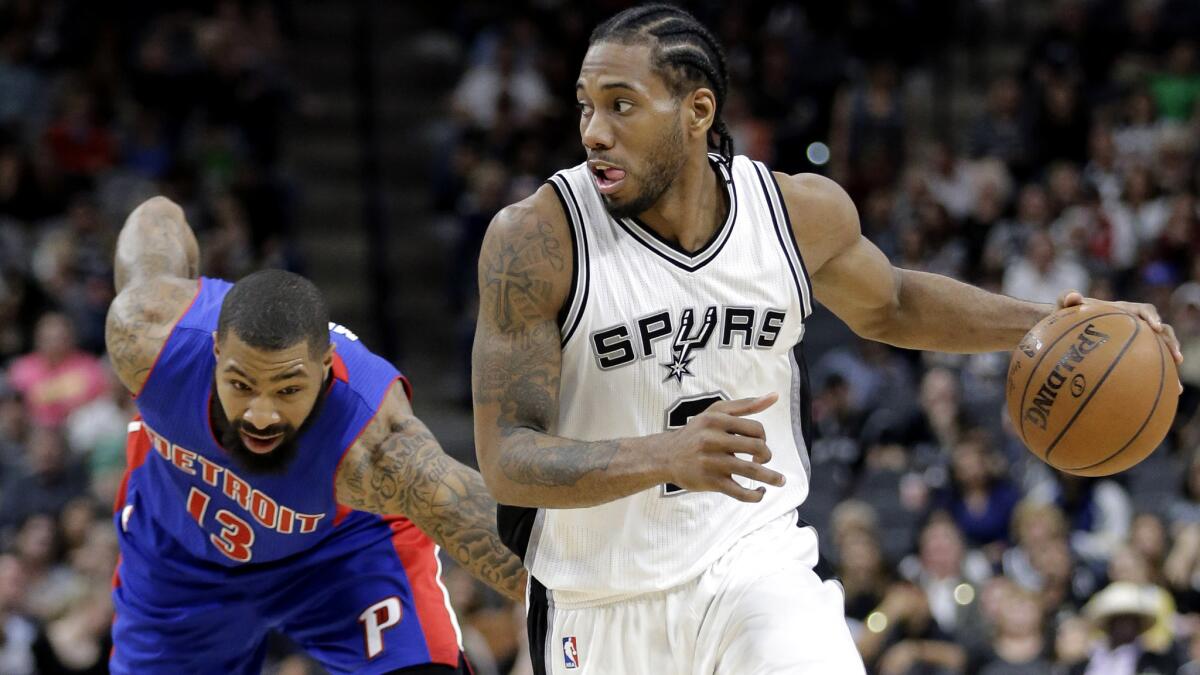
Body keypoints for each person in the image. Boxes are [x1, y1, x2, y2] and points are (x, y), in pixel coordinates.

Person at [470, 5, 1183, 674]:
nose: (594, 129)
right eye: (586, 104)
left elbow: (895, 302)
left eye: (621, 104)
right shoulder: (538, 240)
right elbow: (507, 458)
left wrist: (1050, 323)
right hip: (599, 603)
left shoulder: (794, 216)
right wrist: (666, 452)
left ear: (697, 111)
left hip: (752, 562)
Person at [105, 197, 526, 673]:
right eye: (241, 385)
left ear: (325, 371)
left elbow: (491, 533)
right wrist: (183, 293)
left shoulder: (376, 443)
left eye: (288, 389)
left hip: (340, 554)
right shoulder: (151, 338)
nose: (261, 414)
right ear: (216, 350)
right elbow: (156, 215)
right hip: (177, 560)